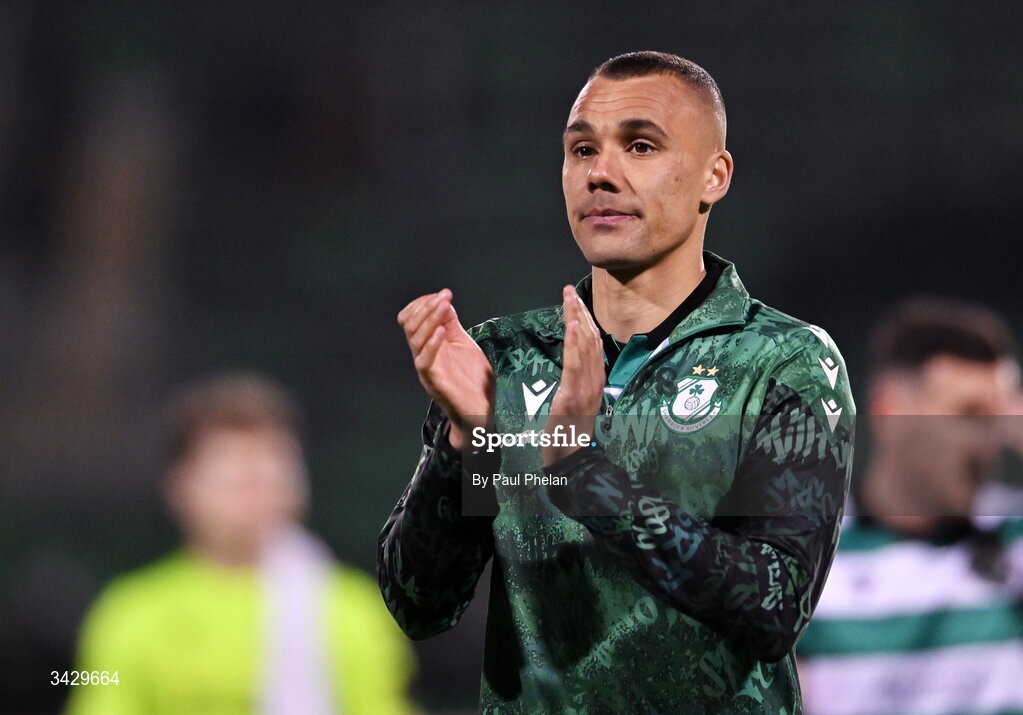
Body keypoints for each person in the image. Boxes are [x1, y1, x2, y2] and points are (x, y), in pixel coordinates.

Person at [379, 51, 855, 712]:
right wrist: (466, 442)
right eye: (580, 150)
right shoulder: (503, 358)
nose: (600, 173)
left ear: (712, 176)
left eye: (639, 146)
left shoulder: (784, 360)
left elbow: (774, 605)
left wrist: (584, 471)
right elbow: (418, 605)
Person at [67, 373, 415, 715]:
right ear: (181, 487)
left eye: (275, 472)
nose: (261, 493)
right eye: (238, 479)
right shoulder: (130, 615)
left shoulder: (352, 610)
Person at [798, 299, 1023, 715]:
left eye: (995, 418)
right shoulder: (808, 559)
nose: (985, 444)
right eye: (968, 414)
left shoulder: (1012, 538)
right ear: (890, 412)